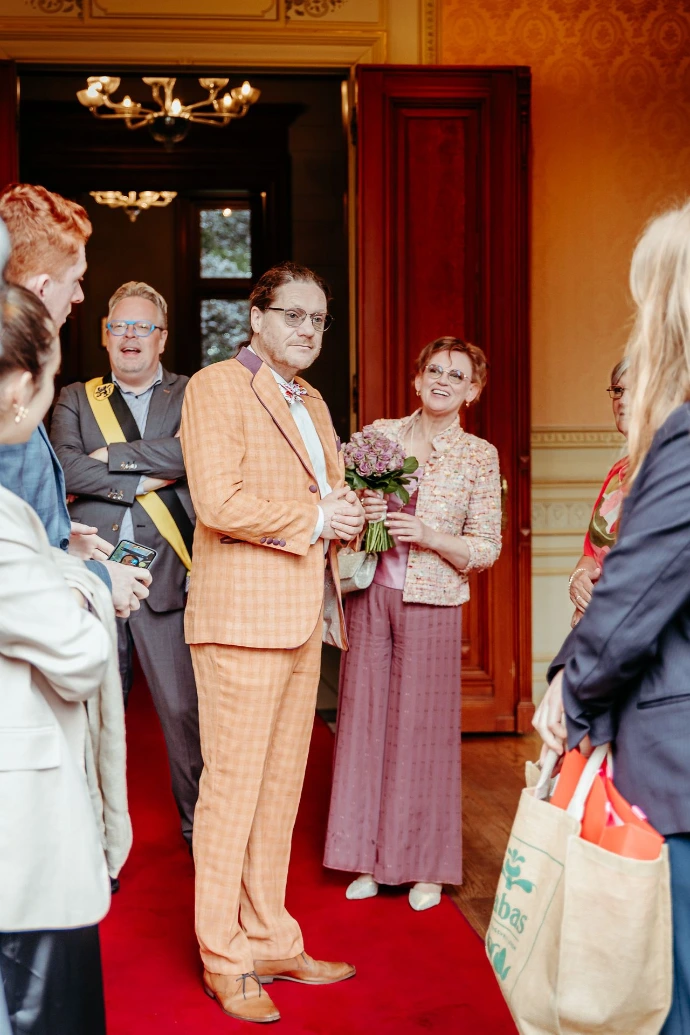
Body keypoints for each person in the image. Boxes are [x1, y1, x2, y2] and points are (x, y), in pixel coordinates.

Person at [181, 261, 365, 1024]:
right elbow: (219, 499)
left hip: (300, 614)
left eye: (319, 320)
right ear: (254, 317)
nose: (307, 330)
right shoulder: (216, 386)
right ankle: (224, 955)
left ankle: (272, 935)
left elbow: (321, 495)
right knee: (230, 793)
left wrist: (345, 510)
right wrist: (320, 519)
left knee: (280, 789)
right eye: (293, 315)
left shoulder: (314, 397)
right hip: (239, 619)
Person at [534, 201, 690, 1035]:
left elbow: (635, 588)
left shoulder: (688, 434)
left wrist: (569, 689)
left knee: (668, 989)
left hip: (681, 756)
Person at [324, 336, 502, 912]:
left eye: (457, 375)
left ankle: (424, 866)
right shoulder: (379, 435)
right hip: (370, 592)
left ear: (472, 391)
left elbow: (486, 547)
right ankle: (368, 860)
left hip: (434, 600)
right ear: (417, 380)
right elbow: (342, 514)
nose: (443, 380)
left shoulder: (479, 454)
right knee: (364, 723)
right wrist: (363, 512)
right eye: (434, 370)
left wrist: (429, 536)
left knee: (423, 735)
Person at [0, 276, 115, 1035]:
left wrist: (58, 570)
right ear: (17, 386)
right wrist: (80, 584)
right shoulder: (4, 519)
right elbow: (79, 655)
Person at [51, 280, 202, 849]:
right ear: (103, 336)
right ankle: (93, 840)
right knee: (92, 720)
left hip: (170, 577)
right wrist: (158, 472)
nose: (130, 336)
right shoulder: (73, 396)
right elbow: (65, 469)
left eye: (143, 327)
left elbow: (199, 455)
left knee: (185, 718)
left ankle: (198, 835)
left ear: (162, 338)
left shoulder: (193, 392)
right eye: (119, 326)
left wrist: (110, 460)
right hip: (94, 576)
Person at [0, 183, 151, 620]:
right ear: (44, 287)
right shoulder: (13, 393)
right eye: (76, 280)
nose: (81, 296)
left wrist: (62, 541)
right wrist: (102, 581)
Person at [568, 359, 628, 626]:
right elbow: (591, 553)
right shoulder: (618, 471)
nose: (623, 400)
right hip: (602, 619)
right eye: (618, 390)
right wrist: (578, 579)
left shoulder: (674, 466)